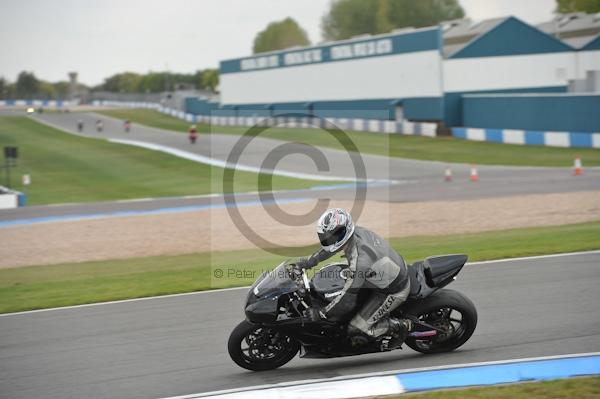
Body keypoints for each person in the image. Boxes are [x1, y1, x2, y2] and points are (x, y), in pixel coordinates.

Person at [295, 208, 412, 350]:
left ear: (346, 230)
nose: (329, 239)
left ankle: (400, 325)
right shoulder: (352, 235)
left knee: (356, 329)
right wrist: (307, 263)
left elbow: (347, 300)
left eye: (333, 235)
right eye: (326, 236)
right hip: (381, 274)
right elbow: (330, 248)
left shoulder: (361, 260)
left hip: (392, 289)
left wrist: (321, 313)